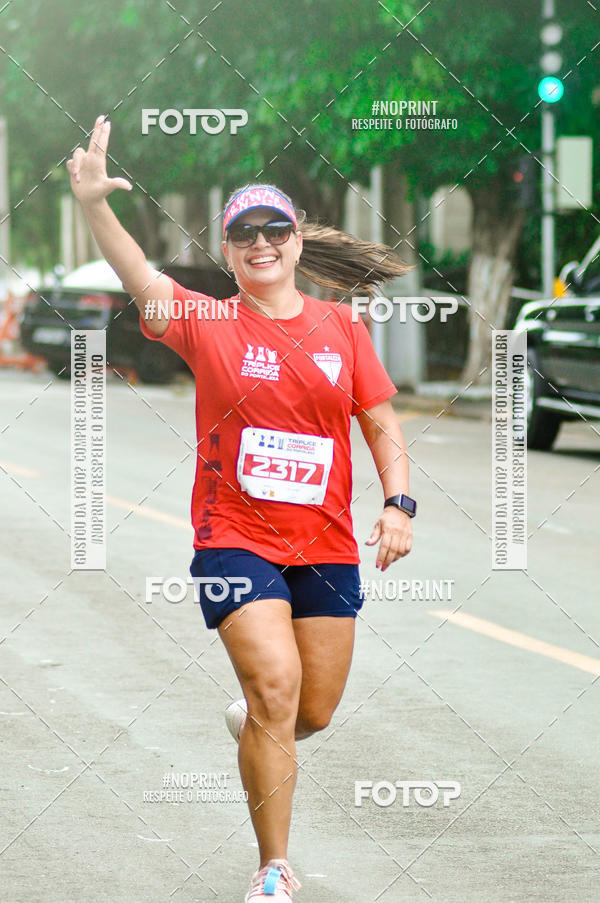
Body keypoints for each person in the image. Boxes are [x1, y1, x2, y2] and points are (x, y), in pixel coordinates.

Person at [67, 114, 417, 902]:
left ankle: (261, 722)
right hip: (234, 541)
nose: (260, 243)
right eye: (243, 233)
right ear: (227, 251)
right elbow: (138, 275)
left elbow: (380, 421)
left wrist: (399, 502)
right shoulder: (208, 321)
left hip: (324, 544)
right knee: (276, 687)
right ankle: (273, 865)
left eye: (275, 229)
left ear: (297, 240)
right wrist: (94, 204)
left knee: (312, 710)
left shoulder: (341, 327)